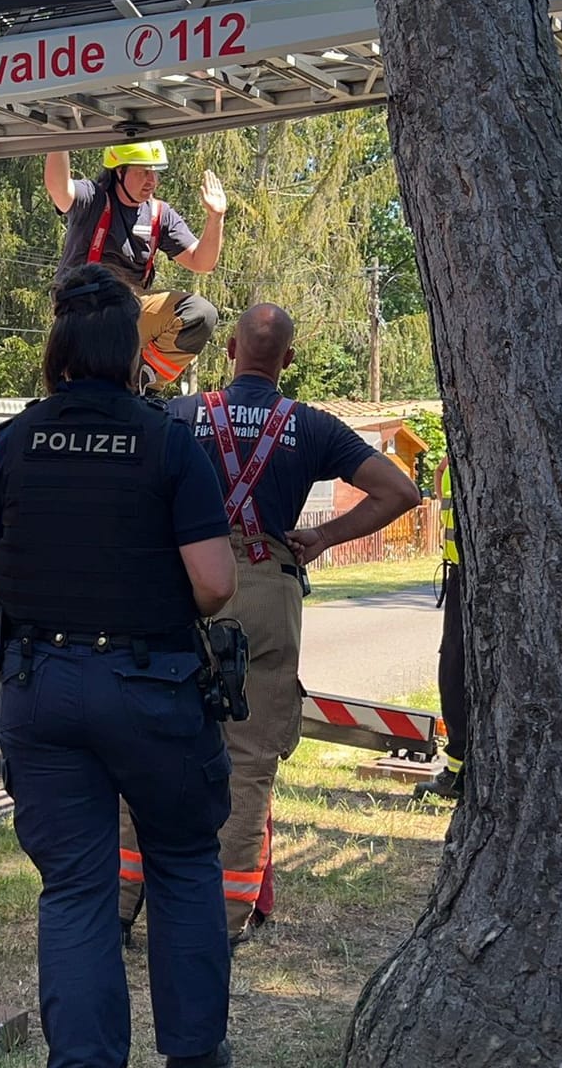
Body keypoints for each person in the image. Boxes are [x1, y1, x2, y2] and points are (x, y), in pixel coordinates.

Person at [0, 261, 239, 1068]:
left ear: (58, 347)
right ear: (132, 351)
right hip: (154, 691)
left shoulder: (18, 439)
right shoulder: (166, 443)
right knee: (182, 868)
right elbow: (214, 587)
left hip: (42, 690)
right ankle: (194, 1056)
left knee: (76, 890)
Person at [115, 303, 421, 948]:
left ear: (227, 350)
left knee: (146, 748)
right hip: (264, 588)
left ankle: (115, 907)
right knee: (248, 762)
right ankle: (217, 923)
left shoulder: (178, 416)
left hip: (180, 587)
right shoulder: (311, 426)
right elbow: (400, 492)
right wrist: (322, 536)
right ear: (287, 359)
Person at [44, 142, 226, 391]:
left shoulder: (159, 214)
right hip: (83, 311)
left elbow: (203, 262)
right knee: (81, 387)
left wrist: (216, 218)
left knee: (200, 313)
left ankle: (141, 383)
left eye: (155, 172)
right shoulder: (92, 199)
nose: (152, 181)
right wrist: (60, 135)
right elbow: (59, 188)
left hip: (129, 308)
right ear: (118, 172)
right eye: (143, 172)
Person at [413, 454, 470, 800]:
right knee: (453, 674)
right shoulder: (453, 464)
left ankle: (459, 771)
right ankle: (458, 768)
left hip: (472, 578)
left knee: (456, 675)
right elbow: (439, 474)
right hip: (461, 575)